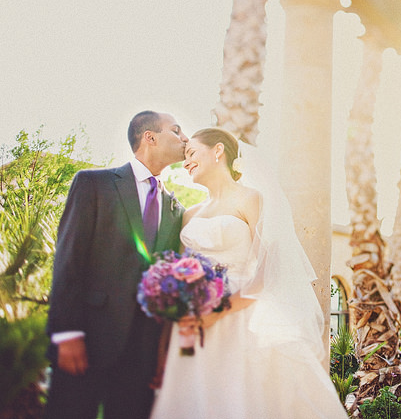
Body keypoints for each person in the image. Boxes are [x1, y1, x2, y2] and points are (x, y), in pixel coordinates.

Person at [150, 127, 348, 419]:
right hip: (193, 324)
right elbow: (179, 271)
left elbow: (270, 269)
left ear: (218, 151)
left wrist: (219, 310)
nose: (186, 162)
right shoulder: (190, 214)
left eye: (191, 153)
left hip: (243, 318)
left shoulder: (251, 199)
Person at [45, 111, 189, 419]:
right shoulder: (94, 184)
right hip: (87, 337)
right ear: (150, 137)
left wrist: (161, 353)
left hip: (142, 354)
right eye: (177, 130)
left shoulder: (177, 210)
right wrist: (67, 332)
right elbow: (69, 258)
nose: (185, 139)